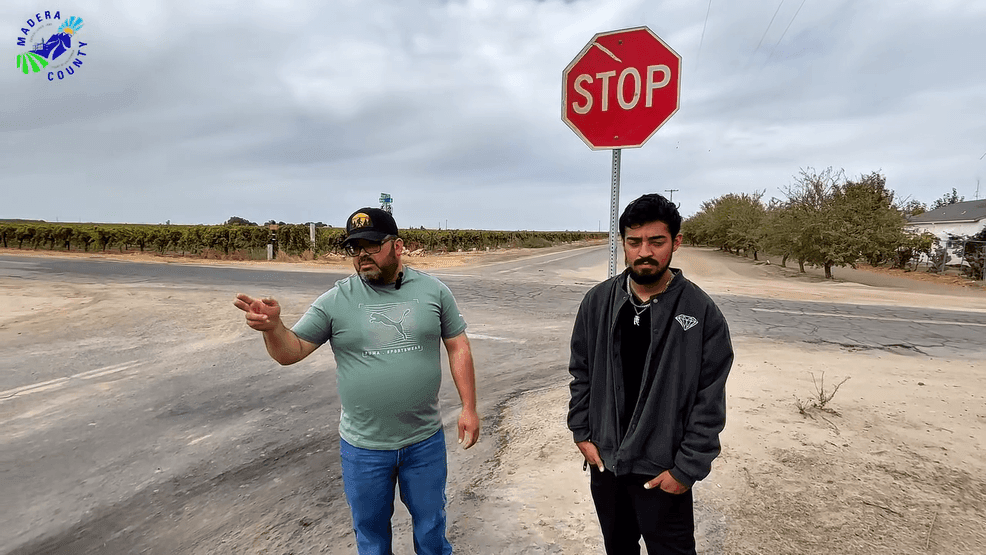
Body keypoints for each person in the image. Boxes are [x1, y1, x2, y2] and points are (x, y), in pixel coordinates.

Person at [234, 207, 479, 555]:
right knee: (371, 536)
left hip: (424, 442)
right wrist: (273, 329)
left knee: (431, 526)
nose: (362, 254)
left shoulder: (433, 291)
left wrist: (469, 407)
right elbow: (291, 351)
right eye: (354, 247)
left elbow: (458, 346)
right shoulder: (337, 300)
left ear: (397, 246)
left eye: (372, 244)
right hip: (363, 448)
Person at [567, 193, 733, 554]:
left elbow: (710, 399)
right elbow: (580, 373)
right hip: (606, 463)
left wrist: (686, 469)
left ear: (676, 242)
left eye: (656, 241)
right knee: (619, 548)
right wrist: (581, 432)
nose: (645, 251)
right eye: (634, 242)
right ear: (623, 245)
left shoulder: (701, 312)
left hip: (662, 469)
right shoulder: (597, 303)